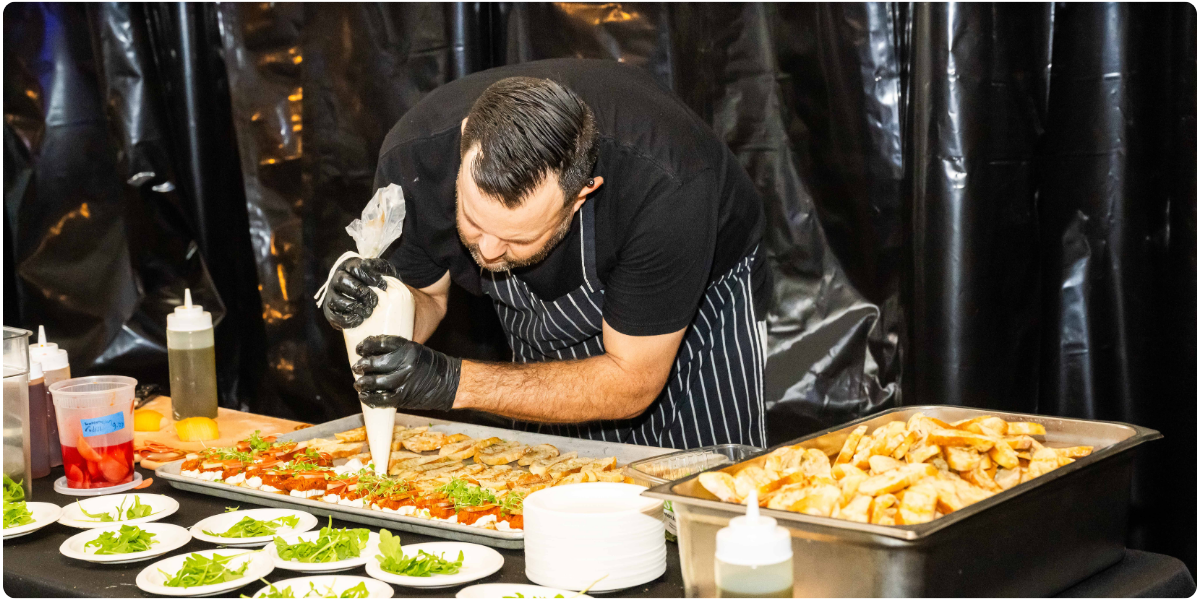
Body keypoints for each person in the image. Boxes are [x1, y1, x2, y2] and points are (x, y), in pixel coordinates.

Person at [323, 58, 770, 449]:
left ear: (582, 196)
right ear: (463, 149)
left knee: (702, 505)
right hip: (554, 324)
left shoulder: (668, 185)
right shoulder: (413, 164)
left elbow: (632, 380)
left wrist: (453, 383)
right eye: (475, 222)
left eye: (518, 239)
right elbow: (427, 301)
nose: (490, 252)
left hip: (691, 324)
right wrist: (378, 306)